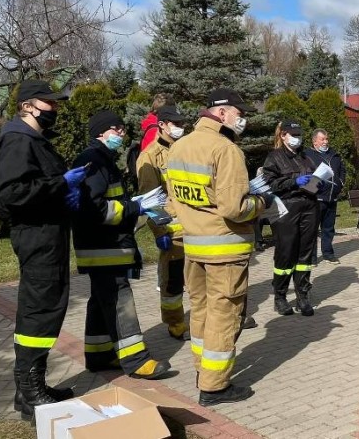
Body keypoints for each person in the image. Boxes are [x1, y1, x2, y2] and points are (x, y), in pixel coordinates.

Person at [167, 88, 270, 406]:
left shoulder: (178, 147)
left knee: (200, 311)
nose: (244, 118)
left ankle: (203, 370)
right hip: (225, 250)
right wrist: (262, 202)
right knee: (225, 316)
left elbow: (175, 201)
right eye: (240, 112)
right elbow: (234, 208)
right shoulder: (226, 150)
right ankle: (214, 387)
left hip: (194, 247)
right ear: (222, 113)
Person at [0, 80, 86, 421]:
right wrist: (62, 184)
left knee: (47, 306)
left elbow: (35, 187)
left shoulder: (32, 139)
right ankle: (30, 389)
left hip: (48, 233)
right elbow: (13, 193)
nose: (55, 109)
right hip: (37, 236)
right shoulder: (18, 139)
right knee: (39, 309)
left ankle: (31, 388)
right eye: (50, 104)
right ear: (28, 105)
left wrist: (65, 192)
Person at [72, 110, 173, 381]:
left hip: (104, 246)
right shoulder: (94, 161)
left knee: (100, 299)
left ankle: (99, 354)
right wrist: (134, 207)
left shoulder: (102, 158)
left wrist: (135, 205)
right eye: (116, 129)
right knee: (119, 300)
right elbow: (92, 209)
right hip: (105, 247)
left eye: (122, 129)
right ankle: (136, 360)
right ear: (101, 132)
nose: (122, 133)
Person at [136, 105, 190, 340]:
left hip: (195, 225)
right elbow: (150, 199)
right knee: (173, 280)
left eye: (182, 124)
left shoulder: (186, 149)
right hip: (172, 228)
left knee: (199, 279)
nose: (180, 128)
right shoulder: (149, 157)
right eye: (176, 124)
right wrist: (160, 232)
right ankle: (175, 322)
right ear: (162, 125)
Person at [262, 119, 319, 316]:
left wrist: (319, 182)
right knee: (286, 253)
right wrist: (294, 181)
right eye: (293, 135)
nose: (297, 138)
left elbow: (314, 177)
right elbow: (270, 184)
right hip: (287, 209)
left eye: (299, 135)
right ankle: (280, 297)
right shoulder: (274, 157)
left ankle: (302, 296)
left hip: (309, 206)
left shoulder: (305, 157)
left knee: (305, 254)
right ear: (283, 135)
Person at [305, 128, 346, 264]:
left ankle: (328, 253)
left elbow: (341, 170)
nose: (325, 142)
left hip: (332, 197)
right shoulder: (307, 155)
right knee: (312, 229)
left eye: (327, 139)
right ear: (314, 141)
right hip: (316, 198)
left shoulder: (334, 154)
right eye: (322, 139)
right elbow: (305, 174)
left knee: (328, 228)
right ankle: (311, 258)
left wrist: (340, 182)